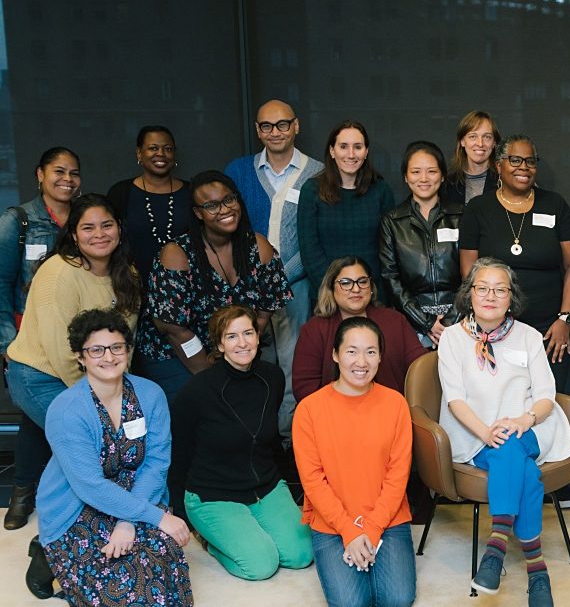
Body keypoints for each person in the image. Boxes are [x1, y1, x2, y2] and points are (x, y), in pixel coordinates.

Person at [30, 308, 192, 605]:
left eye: (117, 347)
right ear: (80, 357)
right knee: (125, 588)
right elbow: (89, 485)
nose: (109, 357)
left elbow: (156, 463)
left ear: (127, 350)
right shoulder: (66, 411)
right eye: (96, 350)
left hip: (139, 493)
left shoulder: (151, 394)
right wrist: (154, 516)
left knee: (161, 560)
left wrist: (129, 521)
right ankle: (45, 553)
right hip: (78, 507)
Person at [438, 257, 570, 605]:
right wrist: (486, 433)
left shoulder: (528, 336)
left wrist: (524, 420)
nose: (491, 296)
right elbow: (454, 400)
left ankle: (496, 549)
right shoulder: (452, 339)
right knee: (517, 462)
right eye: (482, 288)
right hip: (474, 432)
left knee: (511, 445)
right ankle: (536, 569)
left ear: (511, 298)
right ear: (469, 295)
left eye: (500, 290)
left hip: (529, 425)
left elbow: (546, 395)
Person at [4, 194, 141, 535]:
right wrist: (102, 404)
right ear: (74, 234)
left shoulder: (127, 273)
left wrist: (118, 389)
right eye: (88, 227)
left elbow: (126, 340)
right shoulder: (59, 272)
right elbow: (60, 350)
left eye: (107, 225)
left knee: (55, 436)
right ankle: (61, 534)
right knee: (91, 444)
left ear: (119, 230)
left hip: (95, 375)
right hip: (40, 373)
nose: (99, 234)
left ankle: (97, 517)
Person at [170, 304, 312, 580]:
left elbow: (266, 440)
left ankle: (254, 525)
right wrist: (180, 511)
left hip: (264, 486)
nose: (242, 342)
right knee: (261, 565)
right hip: (214, 494)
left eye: (248, 333)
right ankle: (212, 541)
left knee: (301, 555)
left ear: (258, 337)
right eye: (232, 336)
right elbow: (179, 451)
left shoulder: (272, 377)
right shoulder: (196, 391)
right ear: (220, 345)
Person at [136, 170, 291, 404]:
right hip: (175, 353)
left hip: (231, 349)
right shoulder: (177, 255)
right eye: (212, 205)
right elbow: (174, 330)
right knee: (206, 406)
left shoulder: (257, 246)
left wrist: (239, 350)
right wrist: (214, 375)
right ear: (198, 213)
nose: (225, 210)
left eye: (229, 199)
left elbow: (265, 309)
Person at [293, 316, 416, 607]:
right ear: (335, 355)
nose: (361, 361)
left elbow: (398, 475)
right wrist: (350, 532)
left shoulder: (395, 403)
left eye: (371, 352)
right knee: (350, 603)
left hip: (387, 519)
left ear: (380, 357)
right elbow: (313, 481)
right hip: (333, 522)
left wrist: (370, 530)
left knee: (397, 600)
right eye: (352, 351)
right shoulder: (309, 410)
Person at [225, 99, 325, 439]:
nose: (275, 132)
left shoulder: (319, 173)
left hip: (298, 286)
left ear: (296, 126)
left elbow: (315, 237)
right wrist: (256, 281)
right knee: (254, 361)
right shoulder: (238, 172)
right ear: (257, 130)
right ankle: (260, 436)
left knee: (296, 363)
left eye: (283, 124)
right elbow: (227, 228)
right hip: (247, 288)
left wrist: (279, 277)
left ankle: (292, 440)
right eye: (266, 126)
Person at [460, 134, 570, 389]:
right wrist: (486, 322)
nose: (524, 167)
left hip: (550, 330)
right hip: (495, 327)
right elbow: (469, 273)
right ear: (499, 165)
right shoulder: (478, 208)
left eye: (530, 161)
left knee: (548, 401)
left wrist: (565, 319)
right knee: (501, 399)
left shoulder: (555, 205)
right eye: (515, 160)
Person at [1, 147, 79, 530]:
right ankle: (22, 494)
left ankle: (35, 493)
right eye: (58, 171)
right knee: (36, 417)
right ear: (39, 174)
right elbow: (0, 283)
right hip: (27, 339)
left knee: (49, 419)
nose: (67, 179)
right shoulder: (19, 221)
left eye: (74, 173)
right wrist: (4, 343)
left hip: (73, 339)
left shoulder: (84, 220)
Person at [293, 256, 427, 401]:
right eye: (346, 283)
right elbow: (304, 388)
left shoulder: (395, 321)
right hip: (333, 418)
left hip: (390, 412)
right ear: (331, 288)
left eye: (362, 282)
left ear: (371, 287)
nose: (356, 289)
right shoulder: (314, 329)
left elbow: (420, 368)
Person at [298, 119, 397, 304]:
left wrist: (366, 290)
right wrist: (334, 290)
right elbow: (309, 250)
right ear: (332, 151)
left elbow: (388, 250)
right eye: (343, 146)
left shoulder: (381, 191)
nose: (351, 154)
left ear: (366, 152)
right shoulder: (311, 191)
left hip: (373, 295)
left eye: (358, 147)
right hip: (327, 295)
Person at [379, 140, 464, 349]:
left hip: (460, 316)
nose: (424, 179)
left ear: (443, 175)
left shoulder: (462, 215)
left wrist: (449, 321)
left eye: (432, 171)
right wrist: (426, 322)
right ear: (406, 177)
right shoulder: (392, 221)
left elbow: (473, 272)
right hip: (412, 319)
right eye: (416, 172)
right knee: (416, 379)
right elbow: (390, 277)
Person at [106, 125, 194, 284]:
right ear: (139, 153)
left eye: (168, 149)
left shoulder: (191, 192)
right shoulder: (121, 192)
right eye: (153, 148)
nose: (161, 154)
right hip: (130, 288)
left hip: (184, 288)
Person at [444, 110, 501, 204]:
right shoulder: (448, 183)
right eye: (473, 137)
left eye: (487, 137)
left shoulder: (505, 181)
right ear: (462, 141)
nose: (480, 143)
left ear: (494, 142)